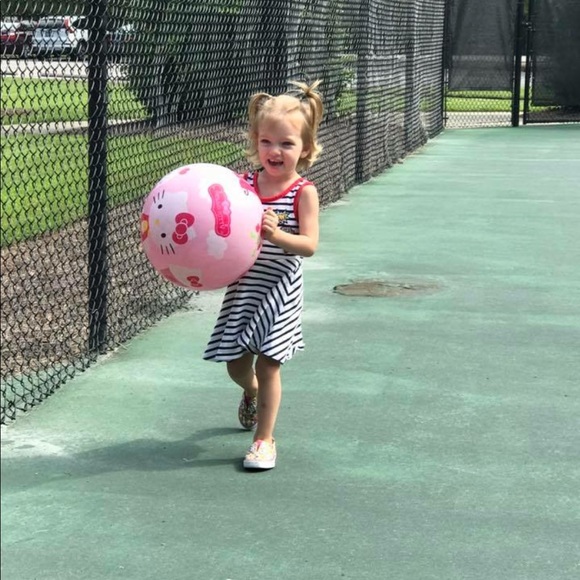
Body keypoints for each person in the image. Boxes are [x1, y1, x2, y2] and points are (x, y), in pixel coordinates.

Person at [203, 80, 324, 470]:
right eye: (267, 141)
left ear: (305, 148)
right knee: (237, 365)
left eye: (287, 143)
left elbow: (309, 245)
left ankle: (264, 440)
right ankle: (251, 392)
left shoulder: (303, 192)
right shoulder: (244, 186)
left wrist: (276, 234)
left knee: (268, 363)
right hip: (244, 287)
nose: (275, 151)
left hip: (280, 290)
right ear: (255, 142)